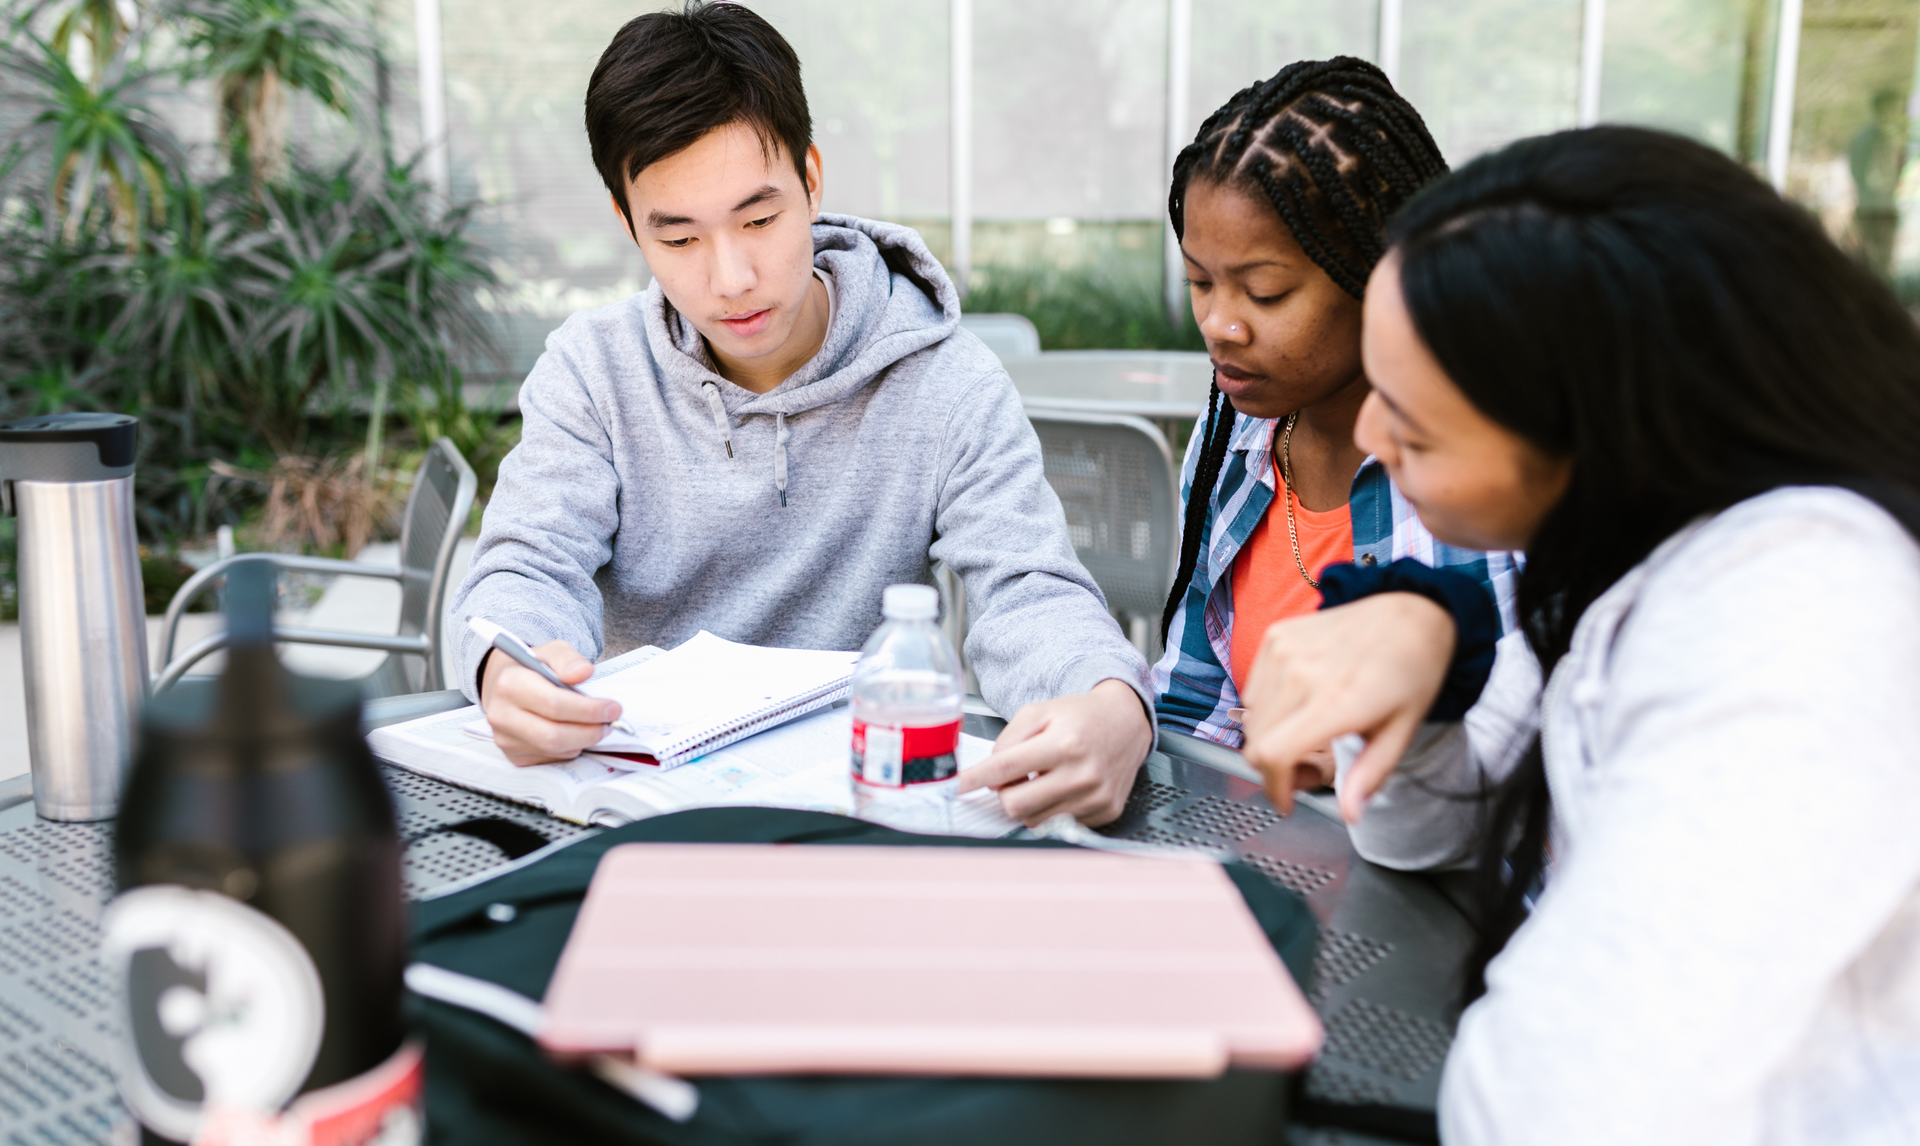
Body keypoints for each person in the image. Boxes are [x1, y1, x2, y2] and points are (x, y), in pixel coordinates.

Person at [1239, 126, 1920, 1143]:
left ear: (1606, 432)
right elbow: (1412, 832)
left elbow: (1569, 1100)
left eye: (1415, 427)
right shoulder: (1618, 554)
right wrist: (1433, 656)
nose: (1373, 439)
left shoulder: (1807, 611)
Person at [451, 1, 1154, 826]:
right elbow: (525, 570)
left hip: (853, 808)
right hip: (640, 809)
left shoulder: (944, 381)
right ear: (627, 223)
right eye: (678, 239)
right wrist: (511, 667)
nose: (733, 276)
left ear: (812, 179)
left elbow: (1030, 591)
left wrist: (1113, 706)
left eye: (759, 218)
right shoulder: (593, 371)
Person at [1153, 58, 1519, 753]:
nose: (1220, 324)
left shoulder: (1482, 464)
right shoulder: (1232, 433)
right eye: (1200, 282)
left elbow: (1513, 736)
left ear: (1380, 273)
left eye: (1265, 293)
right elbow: (1193, 699)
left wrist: (1363, 759)